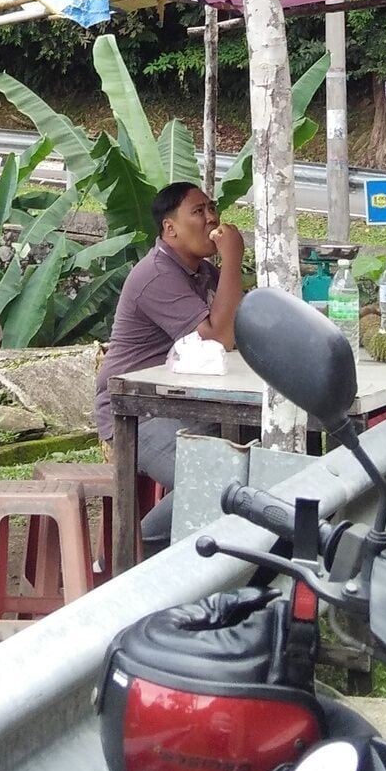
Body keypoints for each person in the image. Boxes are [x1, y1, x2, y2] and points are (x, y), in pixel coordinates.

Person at [94, 181, 244, 557]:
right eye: (198, 211)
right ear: (170, 229)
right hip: (136, 412)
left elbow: (239, 326)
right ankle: (139, 555)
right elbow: (219, 338)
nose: (211, 218)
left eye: (212, 209)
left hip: (184, 402)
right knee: (218, 481)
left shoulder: (201, 273)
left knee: (258, 451)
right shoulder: (157, 274)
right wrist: (234, 259)